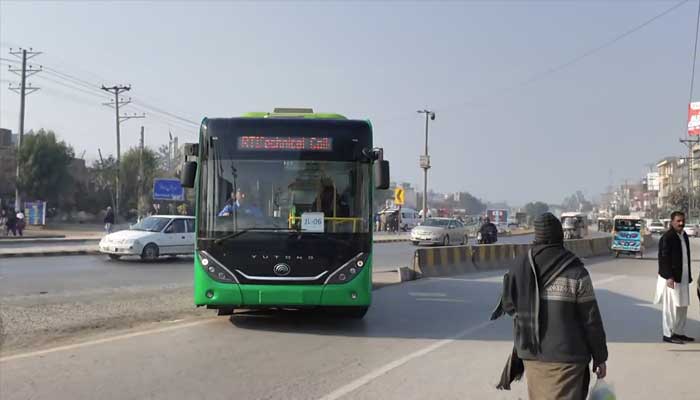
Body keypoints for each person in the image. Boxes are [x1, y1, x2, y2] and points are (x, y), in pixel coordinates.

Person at [492, 212, 608, 399]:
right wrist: (600, 356)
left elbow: (509, 305)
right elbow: (590, 320)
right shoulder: (576, 270)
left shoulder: (519, 266)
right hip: (568, 359)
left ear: (537, 236)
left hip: (532, 355)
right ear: (560, 235)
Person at [654, 211, 694, 344]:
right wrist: (669, 277)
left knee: (682, 306)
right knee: (670, 308)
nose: (681, 223)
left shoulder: (684, 236)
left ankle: (679, 332)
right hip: (671, 279)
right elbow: (663, 258)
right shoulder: (668, 237)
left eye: (683, 220)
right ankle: (668, 334)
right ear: (672, 222)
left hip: (683, 277)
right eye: (678, 221)